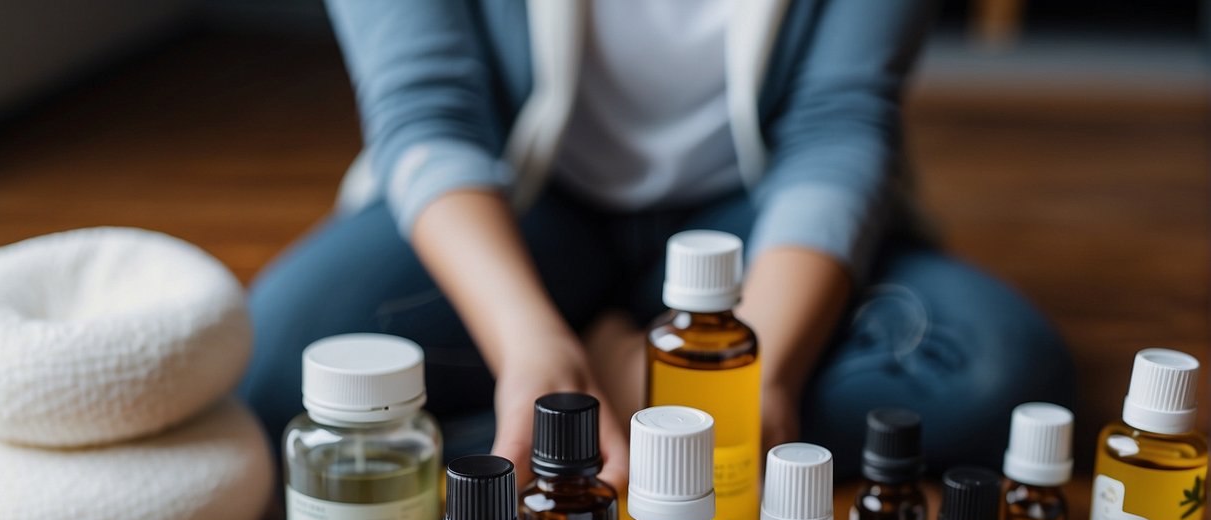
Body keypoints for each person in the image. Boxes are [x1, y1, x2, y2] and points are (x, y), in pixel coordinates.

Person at [239, 0, 1074, 489]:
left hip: (758, 218)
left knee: (992, 370)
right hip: (520, 205)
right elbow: (426, 116)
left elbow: (840, 128)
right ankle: (602, 392)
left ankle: (592, 411)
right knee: (276, 372)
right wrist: (530, 344)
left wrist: (758, 371)